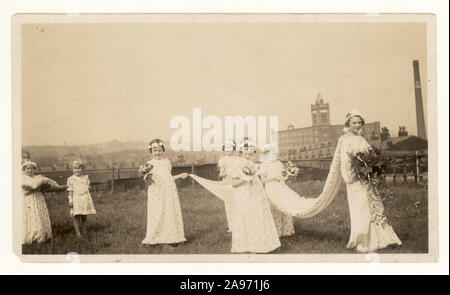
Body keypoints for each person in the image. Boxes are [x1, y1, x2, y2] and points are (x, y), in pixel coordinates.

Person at [339, 110, 401, 252]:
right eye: (354, 123)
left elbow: (371, 156)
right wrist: (352, 177)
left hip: (368, 179)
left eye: (359, 122)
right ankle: (365, 240)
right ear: (348, 124)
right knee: (362, 209)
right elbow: (345, 162)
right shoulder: (346, 140)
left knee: (374, 205)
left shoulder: (361, 139)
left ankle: (383, 237)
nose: (357, 125)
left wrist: (374, 168)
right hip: (356, 180)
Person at [228, 138, 280, 253]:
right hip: (243, 195)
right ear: (241, 150)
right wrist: (246, 178)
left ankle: (261, 244)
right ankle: (247, 245)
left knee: (258, 215)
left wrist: (253, 176)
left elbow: (259, 181)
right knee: (247, 217)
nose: (248, 151)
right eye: (245, 149)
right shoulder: (236, 163)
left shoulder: (253, 164)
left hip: (256, 194)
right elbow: (233, 184)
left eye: (250, 149)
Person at [142, 139, 188, 246]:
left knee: (169, 212)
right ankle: (153, 237)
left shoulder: (167, 162)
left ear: (162, 150)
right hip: (156, 191)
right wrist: (146, 176)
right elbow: (146, 179)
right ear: (151, 152)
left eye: (159, 150)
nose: (157, 153)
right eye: (155, 151)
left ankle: (172, 237)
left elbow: (168, 177)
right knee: (157, 212)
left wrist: (180, 175)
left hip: (169, 191)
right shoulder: (149, 164)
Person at [21, 160, 64, 244]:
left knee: (39, 215)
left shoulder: (38, 178)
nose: (30, 171)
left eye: (32, 169)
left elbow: (50, 182)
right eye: (28, 169)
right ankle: (32, 235)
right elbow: (26, 191)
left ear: (35, 169)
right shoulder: (22, 179)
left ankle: (41, 234)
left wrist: (57, 186)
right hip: (29, 200)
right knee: (32, 215)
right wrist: (37, 188)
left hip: (38, 198)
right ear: (24, 169)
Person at [258, 145, 295, 237]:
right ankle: (276, 231)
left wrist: (289, 174)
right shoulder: (264, 165)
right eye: (270, 153)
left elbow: (282, 176)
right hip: (271, 187)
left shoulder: (279, 164)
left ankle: (286, 231)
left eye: (274, 153)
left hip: (280, 187)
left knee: (284, 205)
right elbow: (262, 180)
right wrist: (273, 178)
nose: (272, 155)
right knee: (274, 207)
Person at [67, 160, 96, 238]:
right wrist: (70, 200)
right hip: (76, 199)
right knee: (76, 216)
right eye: (75, 168)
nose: (77, 170)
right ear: (73, 169)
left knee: (84, 216)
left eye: (79, 168)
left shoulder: (85, 178)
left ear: (82, 169)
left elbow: (87, 189)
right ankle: (78, 233)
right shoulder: (71, 179)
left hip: (84, 199)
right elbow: (70, 191)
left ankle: (84, 231)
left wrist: (88, 198)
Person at [217, 139, 238, 232]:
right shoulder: (223, 160)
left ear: (233, 149)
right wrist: (229, 172)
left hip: (236, 183)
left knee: (238, 203)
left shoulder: (237, 159)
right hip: (227, 183)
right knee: (229, 205)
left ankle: (239, 224)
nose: (228, 150)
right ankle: (232, 226)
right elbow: (221, 174)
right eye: (227, 148)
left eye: (230, 148)